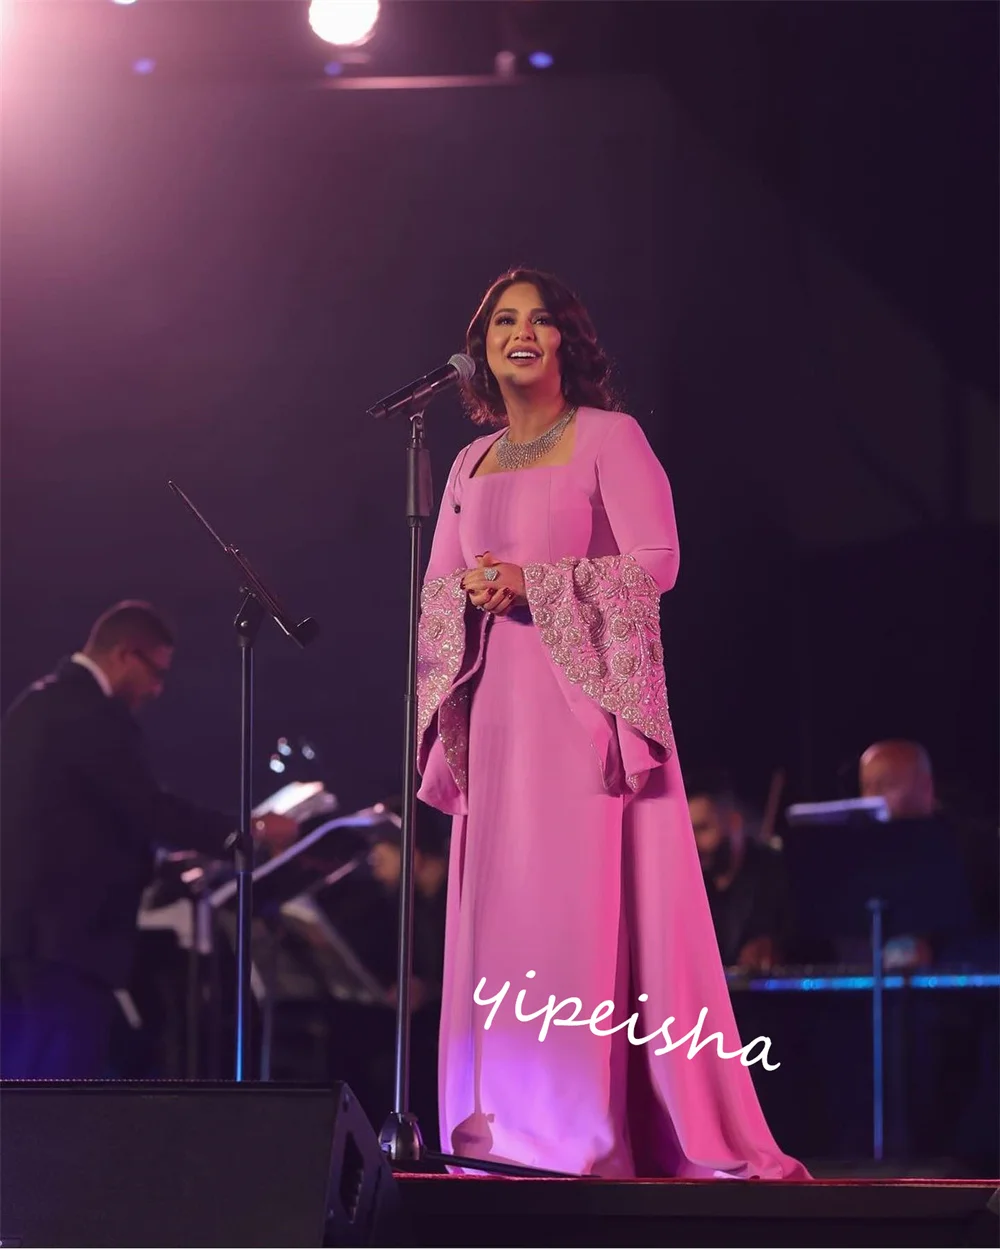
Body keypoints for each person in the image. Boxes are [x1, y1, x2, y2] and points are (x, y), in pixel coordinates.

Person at [415, 268, 806, 1179]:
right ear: (481, 348)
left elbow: (659, 562)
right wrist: (472, 593)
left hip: (584, 712)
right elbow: (437, 587)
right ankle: (495, 1132)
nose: (522, 332)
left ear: (567, 342)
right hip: (501, 718)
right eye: (504, 320)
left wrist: (533, 584)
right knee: (504, 911)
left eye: (540, 320)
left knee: (580, 910)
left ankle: (581, 1131)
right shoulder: (468, 465)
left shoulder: (608, 437)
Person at [0, 600, 296, 1079]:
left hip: (22, 937)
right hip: (61, 941)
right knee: (50, 1095)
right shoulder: (88, 712)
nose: (157, 690)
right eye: (156, 673)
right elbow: (147, 806)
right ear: (125, 653)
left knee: (23, 1086)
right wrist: (250, 829)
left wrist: (158, 866)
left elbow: (72, 824)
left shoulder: (37, 705)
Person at [688, 776, 791, 972]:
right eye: (687, 832)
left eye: (702, 829)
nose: (693, 843)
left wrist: (774, 949)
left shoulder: (776, 874)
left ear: (734, 823)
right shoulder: (687, 888)